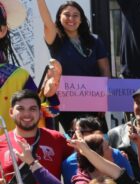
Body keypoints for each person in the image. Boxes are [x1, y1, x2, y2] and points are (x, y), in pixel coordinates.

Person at [37, 0, 110, 130]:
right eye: (66, 14)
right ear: (59, 18)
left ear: (81, 19)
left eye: (75, 15)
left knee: (98, 140)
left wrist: (103, 100)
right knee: (73, 140)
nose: (71, 18)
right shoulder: (55, 39)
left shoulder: (95, 40)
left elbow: (104, 70)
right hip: (66, 103)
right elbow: (47, 21)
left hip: (93, 101)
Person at [0, 0, 60, 131]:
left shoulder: (19, 77)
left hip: (12, 150)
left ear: (3, 30)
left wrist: (48, 95)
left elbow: (44, 117)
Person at [62, 116, 135, 184]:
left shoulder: (118, 156)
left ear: (97, 134)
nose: (74, 137)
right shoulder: (68, 164)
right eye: (71, 133)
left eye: (80, 133)